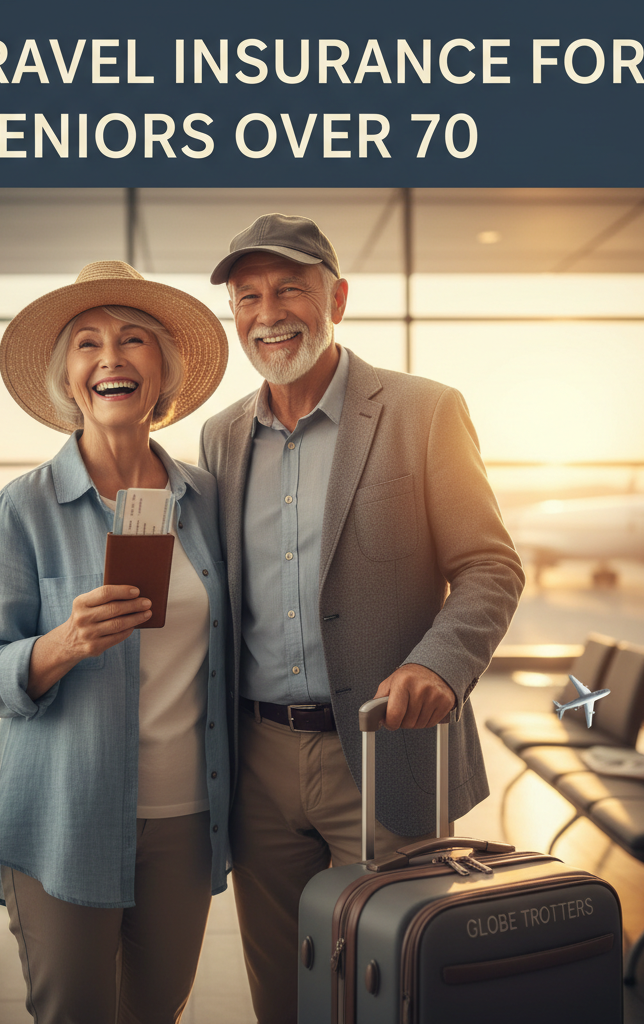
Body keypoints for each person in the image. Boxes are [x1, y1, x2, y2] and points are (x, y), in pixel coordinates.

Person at [198, 214, 525, 1023]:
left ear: (336, 297)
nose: (268, 312)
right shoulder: (219, 437)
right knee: (282, 986)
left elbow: (490, 566)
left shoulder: (424, 411)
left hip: (385, 751)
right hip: (257, 760)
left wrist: (438, 664)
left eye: (290, 289)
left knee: (390, 988)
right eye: (248, 297)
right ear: (234, 317)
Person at [0, 261, 231, 1024]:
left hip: (186, 820)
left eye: (133, 339)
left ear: (162, 373)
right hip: (62, 817)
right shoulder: (22, 508)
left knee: (157, 1013)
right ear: (69, 379)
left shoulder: (206, 500)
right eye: (87, 343)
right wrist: (64, 642)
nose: (110, 355)